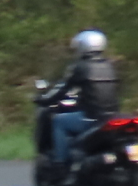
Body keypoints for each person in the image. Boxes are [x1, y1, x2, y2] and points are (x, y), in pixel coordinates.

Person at [40, 29, 120, 173]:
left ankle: (60, 162)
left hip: (91, 117)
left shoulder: (80, 67)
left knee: (59, 121)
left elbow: (62, 88)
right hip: (111, 116)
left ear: (84, 46)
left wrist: (44, 99)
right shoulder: (110, 65)